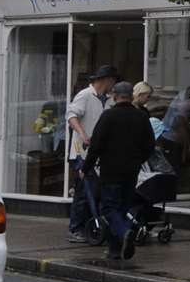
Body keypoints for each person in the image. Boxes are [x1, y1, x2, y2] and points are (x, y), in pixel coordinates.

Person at [83, 81, 155, 262]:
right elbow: (150, 145)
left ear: (115, 96)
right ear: (131, 96)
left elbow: (96, 145)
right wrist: (138, 160)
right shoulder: (141, 117)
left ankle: (124, 233)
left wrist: (86, 167)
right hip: (131, 171)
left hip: (111, 170)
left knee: (108, 208)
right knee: (122, 209)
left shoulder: (108, 116)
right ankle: (115, 250)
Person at [65, 64, 118, 243]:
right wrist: (82, 134)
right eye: (113, 81)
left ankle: (90, 227)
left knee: (96, 192)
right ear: (106, 80)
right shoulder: (85, 95)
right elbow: (71, 116)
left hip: (100, 154)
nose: (114, 84)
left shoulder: (110, 100)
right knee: (84, 191)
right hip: (82, 153)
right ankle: (75, 229)